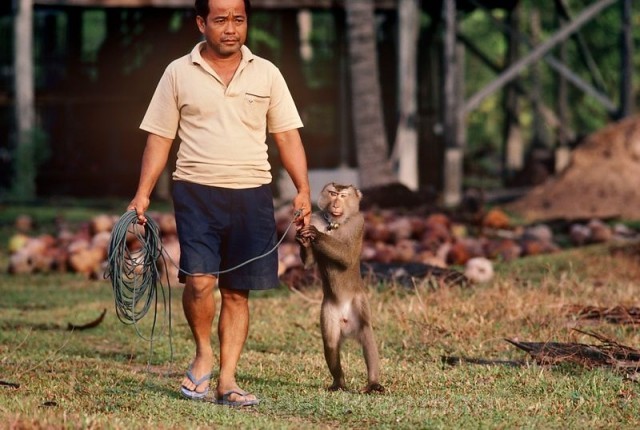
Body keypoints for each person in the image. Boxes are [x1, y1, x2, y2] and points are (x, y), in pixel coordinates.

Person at [127, 0, 311, 406]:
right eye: (221, 19)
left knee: (236, 291)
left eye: (239, 19)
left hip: (253, 193)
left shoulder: (267, 73)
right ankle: (203, 354)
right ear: (201, 23)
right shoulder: (178, 72)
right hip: (197, 191)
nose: (231, 28)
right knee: (200, 281)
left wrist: (302, 189)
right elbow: (159, 137)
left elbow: (287, 136)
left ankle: (227, 380)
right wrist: (142, 193)